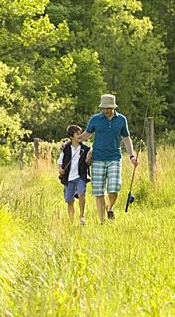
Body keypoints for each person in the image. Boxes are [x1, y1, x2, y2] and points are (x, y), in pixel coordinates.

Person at [81, 94, 138, 223]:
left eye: (108, 108)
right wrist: (69, 143)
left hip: (114, 158)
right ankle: (102, 222)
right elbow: (85, 135)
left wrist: (132, 156)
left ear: (113, 107)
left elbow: (126, 139)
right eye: (104, 108)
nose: (106, 111)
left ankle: (110, 206)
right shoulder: (95, 119)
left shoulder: (121, 120)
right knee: (99, 192)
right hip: (97, 158)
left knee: (114, 188)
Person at [58, 125, 91, 226]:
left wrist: (89, 159)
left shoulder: (85, 149)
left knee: (81, 193)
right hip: (68, 178)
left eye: (81, 133)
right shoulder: (66, 148)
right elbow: (59, 162)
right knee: (69, 200)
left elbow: (88, 161)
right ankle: (71, 221)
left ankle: (82, 217)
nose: (80, 135)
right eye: (77, 134)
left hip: (80, 175)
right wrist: (60, 170)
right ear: (71, 137)